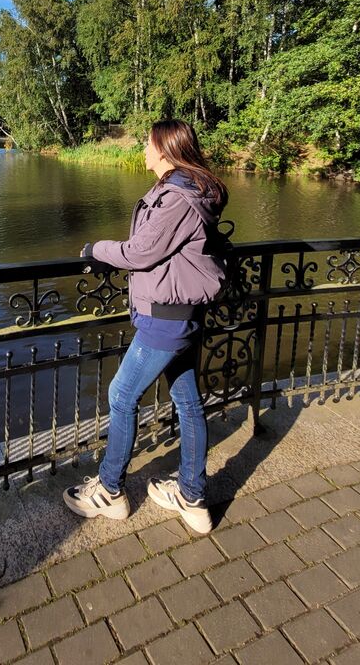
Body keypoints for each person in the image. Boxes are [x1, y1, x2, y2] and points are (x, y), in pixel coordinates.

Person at [63, 119, 229, 534]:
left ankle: (109, 491)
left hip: (165, 317)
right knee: (188, 401)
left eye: (148, 143)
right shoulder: (192, 190)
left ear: (165, 149)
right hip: (182, 311)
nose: (142, 149)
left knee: (121, 395)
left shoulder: (177, 198)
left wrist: (94, 249)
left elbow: (141, 252)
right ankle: (192, 497)